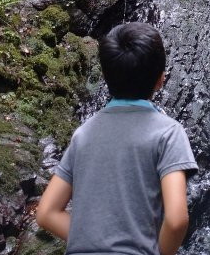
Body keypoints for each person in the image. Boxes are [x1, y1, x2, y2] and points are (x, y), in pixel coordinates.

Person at [36, 22, 198, 255]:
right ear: (161, 79)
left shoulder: (84, 134)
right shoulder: (168, 133)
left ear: (104, 75)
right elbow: (176, 220)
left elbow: (46, 213)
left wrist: (97, 243)